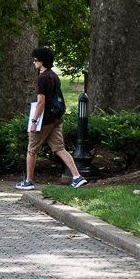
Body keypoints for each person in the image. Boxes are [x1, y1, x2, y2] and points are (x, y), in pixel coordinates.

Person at [16, 46, 88, 191]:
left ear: (42, 62)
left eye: (35, 60)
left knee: (32, 150)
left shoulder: (41, 78)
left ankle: (28, 181)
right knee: (60, 149)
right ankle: (77, 176)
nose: (33, 63)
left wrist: (34, 121)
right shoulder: (54, 76)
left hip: (44, 120)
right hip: (56, 118)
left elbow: (41, 102)